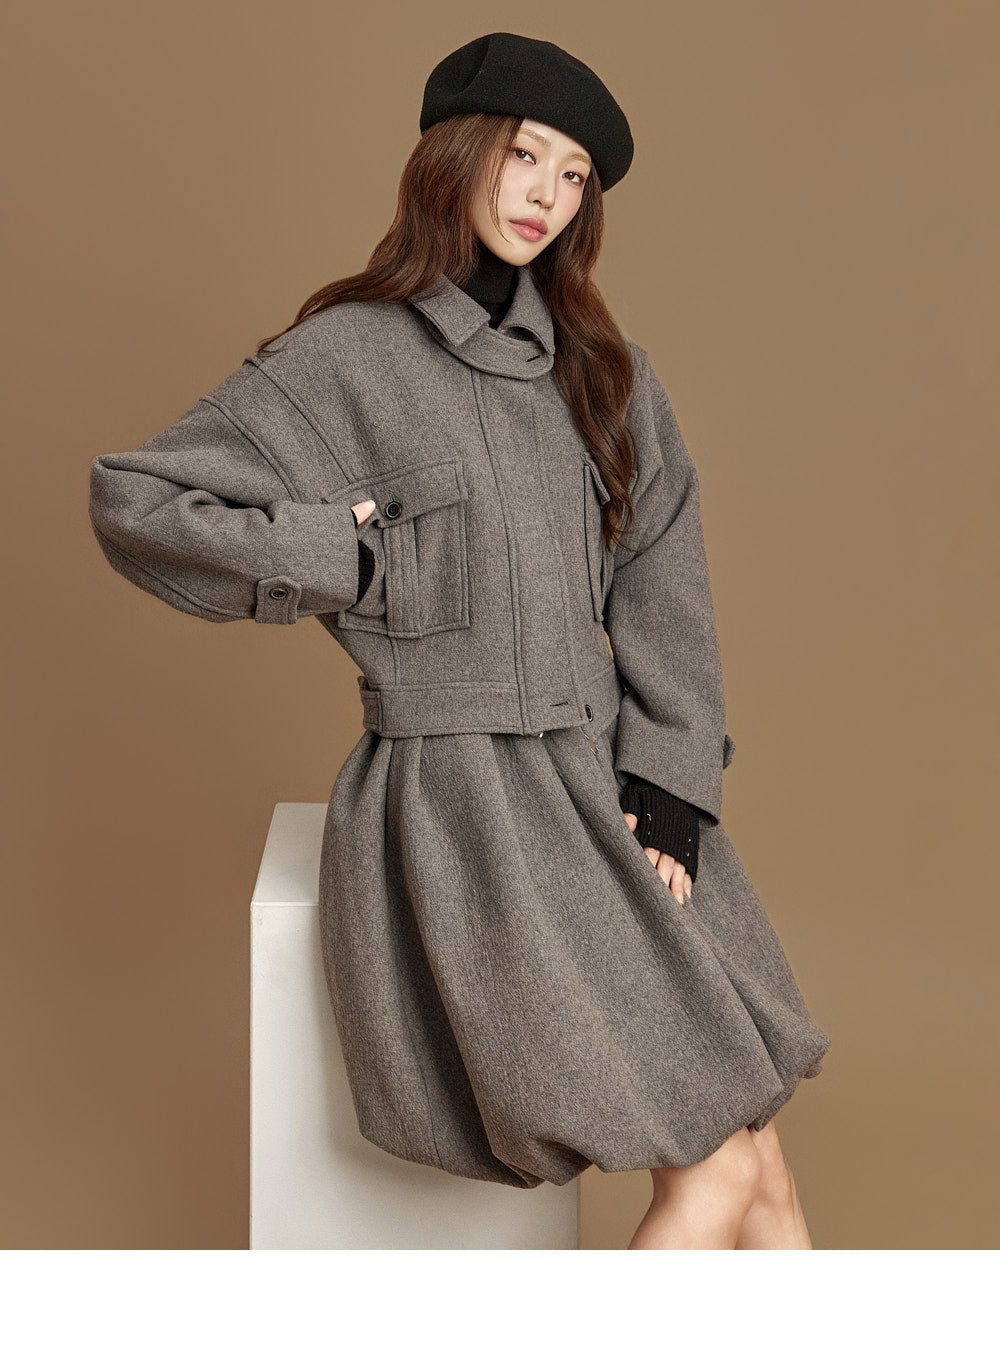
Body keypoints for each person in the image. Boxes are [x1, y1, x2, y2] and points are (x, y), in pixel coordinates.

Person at [88, 31, 831, 1249]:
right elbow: (139, 503)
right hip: (471, 811)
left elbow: (663, 574)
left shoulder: (603, 370)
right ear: (458, 154)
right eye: (525, 156)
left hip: (615, 790)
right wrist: (345, 561)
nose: (545, 194)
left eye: (573, 175)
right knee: (714, 1169)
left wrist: (669, 780)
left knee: (760, 1167)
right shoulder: (344, 360)